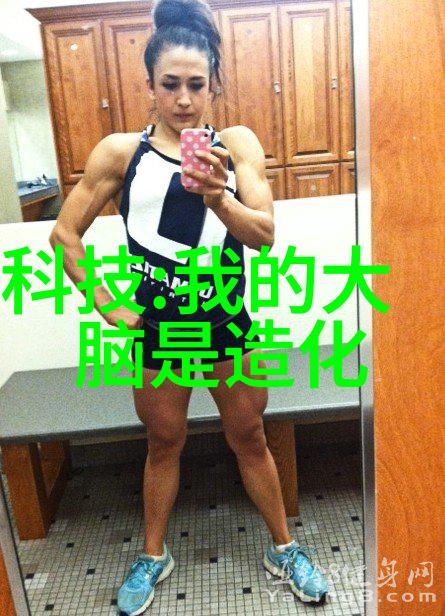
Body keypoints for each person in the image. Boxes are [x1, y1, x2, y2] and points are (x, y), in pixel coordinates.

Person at [49, 0, 329, 613]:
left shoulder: (237, 145)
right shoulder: (120, 154)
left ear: (213, 85)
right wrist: (106, 304)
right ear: (149, 85)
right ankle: (154, 555)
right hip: (160, 330)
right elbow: (64, 235)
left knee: (249, 435)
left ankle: (283, 548)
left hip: (227, 324)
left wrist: (218, 197)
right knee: (163, 443)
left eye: (196, 85)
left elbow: (264, 234)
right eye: (170, 84)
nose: (183, 99)